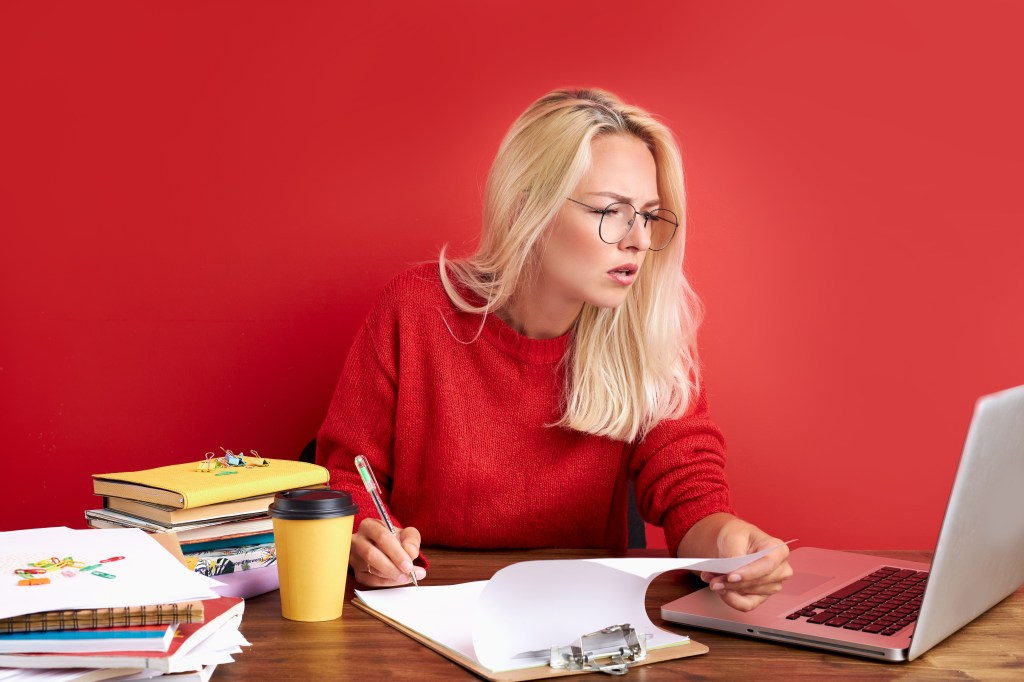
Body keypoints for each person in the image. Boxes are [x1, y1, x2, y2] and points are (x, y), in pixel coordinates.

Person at [317, 88, 791, 611]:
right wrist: (365, 536)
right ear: (530, 208)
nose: (637, 239)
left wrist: (725, 541)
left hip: (579, 619)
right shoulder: (416, 308)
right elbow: (346, 471)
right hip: (424, 605)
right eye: (612, 210)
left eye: (650, 216)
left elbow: (689, 489)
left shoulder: (644, 327)